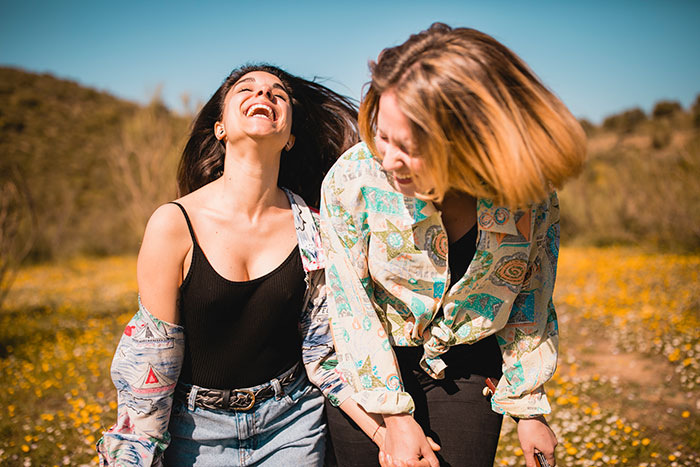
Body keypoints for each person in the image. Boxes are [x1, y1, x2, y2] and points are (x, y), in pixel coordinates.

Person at [320, 23, 586, 467]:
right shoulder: (353, 178)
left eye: (408, 146)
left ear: (467, 138)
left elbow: (530, 299)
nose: (387, 159)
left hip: (466, 365)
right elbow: (351, 305)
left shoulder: (531, 198)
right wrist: (393, 417)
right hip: (367, 366)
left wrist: (527, 406)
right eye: (382, 136)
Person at [97, 64, 372, 466]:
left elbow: (322, 353)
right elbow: (150, 367)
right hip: (194, 433)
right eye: (247, 89)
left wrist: (389, 429)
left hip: (292, 424)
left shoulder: (315, 228)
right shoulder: (174, 224)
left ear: (290, 137)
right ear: (220, 127)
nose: (264, 95)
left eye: (277, 93)